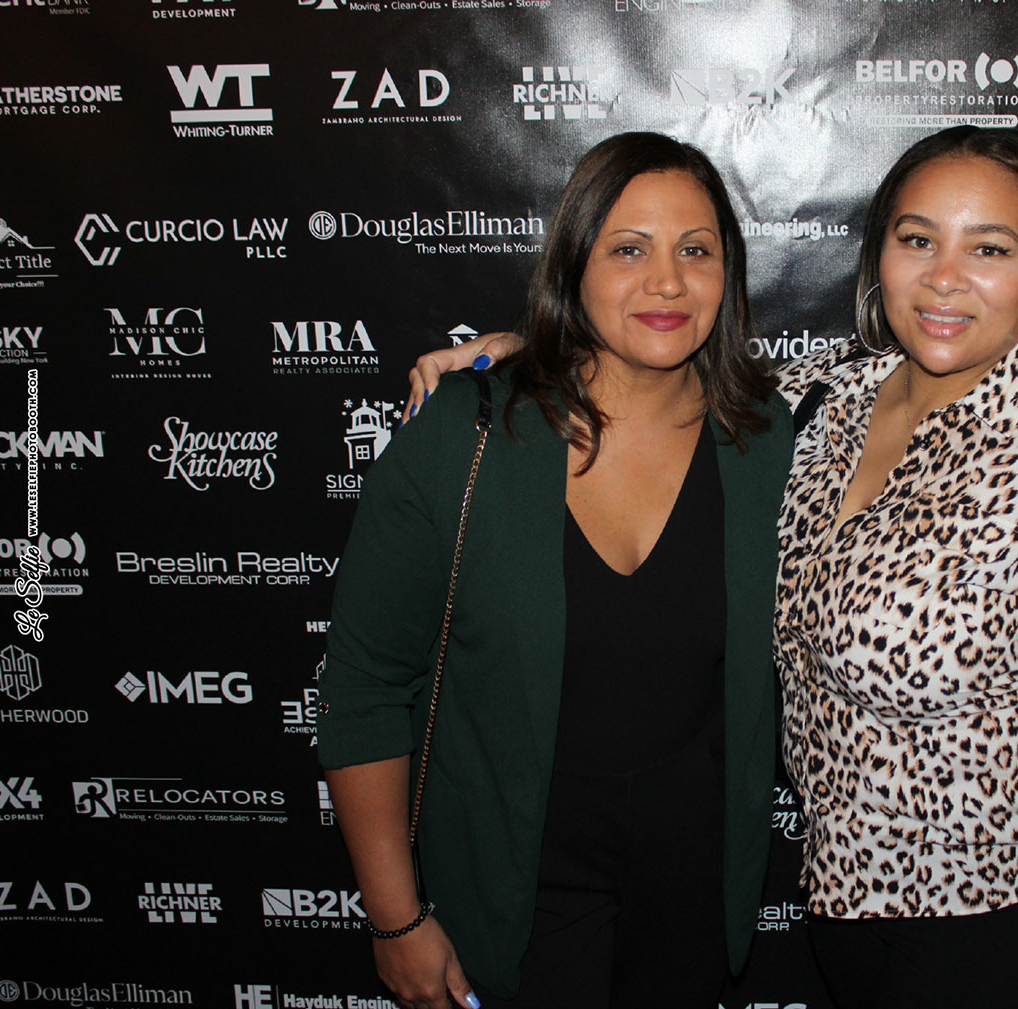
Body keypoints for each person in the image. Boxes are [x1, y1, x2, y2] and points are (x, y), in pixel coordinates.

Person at [410, 126, 1018, 1009]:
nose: (945, 276)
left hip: (1008, 930)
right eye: (917, 239)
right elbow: (658, 374)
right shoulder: (826, 398)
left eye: (990, 248)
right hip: (848, 915)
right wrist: (524, 353)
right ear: (878, 260)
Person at [319, 131, 793, 1009]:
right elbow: (364, 688)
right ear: (574, 264)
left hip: (691, 915)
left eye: (696, 250)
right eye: (628, 250)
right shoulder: (463, 436)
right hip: (510, 910)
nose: (668, 282)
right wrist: (393, 917)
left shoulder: (772, 444)